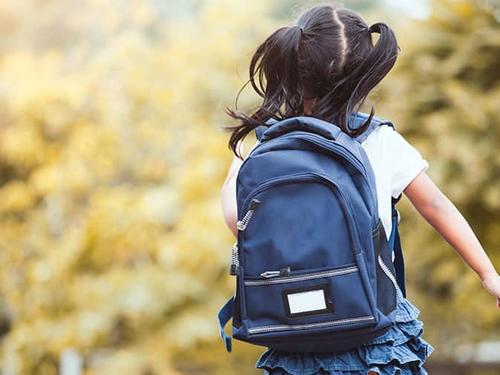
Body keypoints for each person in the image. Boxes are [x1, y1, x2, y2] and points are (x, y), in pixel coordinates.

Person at [219, 4, 500, 374]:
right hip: (372, 331)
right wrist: (487, 274)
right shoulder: (379, 140)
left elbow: (235, 218)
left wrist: (241, 160)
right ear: (363, 77)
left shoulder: (263, 144)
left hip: (291, 329)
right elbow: (435, 206)